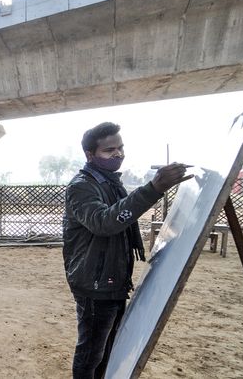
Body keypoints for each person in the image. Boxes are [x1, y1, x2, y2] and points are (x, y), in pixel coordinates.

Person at [63, 122, 193, 379]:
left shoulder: (110, 183)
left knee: (108, 347)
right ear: (90, 155)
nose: (118, 154)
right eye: (109, 150)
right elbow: (104, 222)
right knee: (91, 353)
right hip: (95, 283)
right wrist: (153, 188)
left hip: (111, 279)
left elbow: (119, 214)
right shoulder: (82, 186)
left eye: (120, 147)